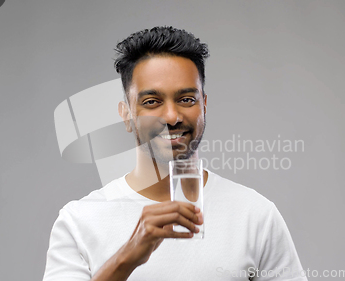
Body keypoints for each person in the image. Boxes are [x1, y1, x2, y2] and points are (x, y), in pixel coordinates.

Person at [43, 26, 307, 281]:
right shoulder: (79, 221)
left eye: (186, 99)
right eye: (151, 102)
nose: (171, 116)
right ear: (126, 115)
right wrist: (127, 258)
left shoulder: (255, 215)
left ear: (204, 105)